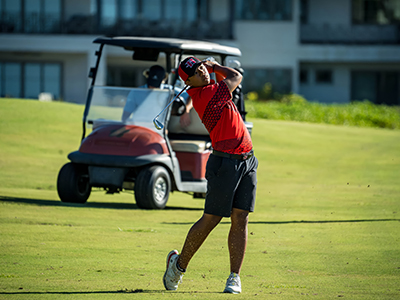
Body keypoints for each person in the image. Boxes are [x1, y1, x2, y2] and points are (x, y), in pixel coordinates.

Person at [163, 57, 258, 294]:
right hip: (224, 163)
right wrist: (215, 65)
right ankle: (178, 266)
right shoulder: (205, 95)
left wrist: (212, 70)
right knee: (211, 219)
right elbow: (236, 76)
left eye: (202, 67)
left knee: (241, 217)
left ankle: (234, 277)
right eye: (197, 71)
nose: (203, 72)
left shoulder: (211, 87)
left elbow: (229, 79)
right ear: (189, 82)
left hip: (248, 160)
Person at [121, 65, 192, 126]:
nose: (153, 87)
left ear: (163, 79)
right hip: (138, 127)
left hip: (158, 129)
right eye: (151, 83)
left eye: (156, 84)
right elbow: (125, 116)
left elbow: (191, 95)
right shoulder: (136, 92)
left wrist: (186, 110)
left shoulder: (169, 90)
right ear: (147, 76)